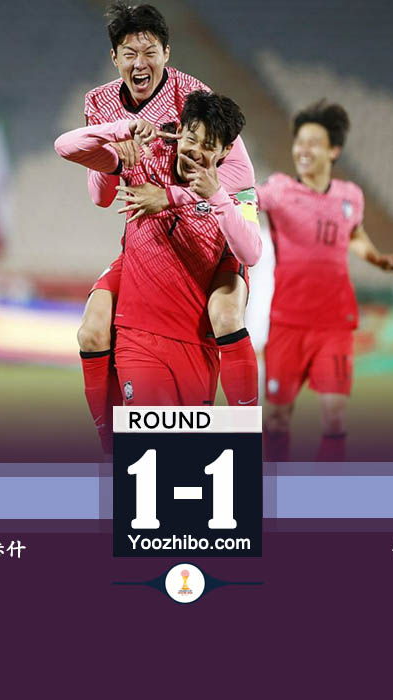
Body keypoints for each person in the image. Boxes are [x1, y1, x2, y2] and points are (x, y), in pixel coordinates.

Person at [70, 2, 258, 450]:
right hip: (152, 238)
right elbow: (100, 196)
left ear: (166, 53)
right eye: (129, 53)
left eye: (150, 51)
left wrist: (172, 196)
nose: (140, 63)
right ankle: (110, 445)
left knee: (225, 315)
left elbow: (241, 179)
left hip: (211, 229)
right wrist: (113, 157)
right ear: (115, 58)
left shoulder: (192, 95)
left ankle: (247, 433)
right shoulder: (99, 104)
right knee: (92, 329)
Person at [56, 90, 260, 405]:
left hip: (195, 330)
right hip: (140, 330)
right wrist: (121, 129)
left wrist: (211, 197)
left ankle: (246, 428)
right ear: (179, 130)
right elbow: (64, 146)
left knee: (226, 317)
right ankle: (108, 437)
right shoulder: (145, 157)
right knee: (94, 335)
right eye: (191, 139)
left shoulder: (237, 189)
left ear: (226, 150)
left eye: (208, 147)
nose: (195, 152)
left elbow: (251, 253)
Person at [257, 100, 393, 462]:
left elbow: (353, 233)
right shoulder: (279, 189)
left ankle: (328, 489)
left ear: (333, 151)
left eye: (313, 143)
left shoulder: (350, 196)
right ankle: (270, 487)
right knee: (276, 418)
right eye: (299, 142)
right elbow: (246, 200)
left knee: (335, 416)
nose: (302, 150)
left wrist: (377, 258)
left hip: (334, 324)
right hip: (287, 323)